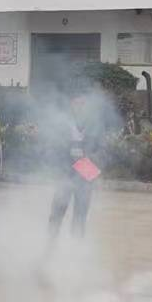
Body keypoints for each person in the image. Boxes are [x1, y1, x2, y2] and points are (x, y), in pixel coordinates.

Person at [48, 91, 107, 239]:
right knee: (57, 211)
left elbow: (103, 151)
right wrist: (59, 164)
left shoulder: (96, 125)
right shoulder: (63, 123)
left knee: (80, 215)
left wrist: (88, 159)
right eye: (76, 103)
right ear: (71, 104)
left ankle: (76, 246)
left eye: (83, 104)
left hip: (86, 172)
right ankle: (50, 242)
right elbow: (54, 147)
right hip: (65, 171)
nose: (79, 107)